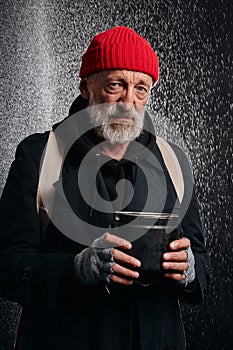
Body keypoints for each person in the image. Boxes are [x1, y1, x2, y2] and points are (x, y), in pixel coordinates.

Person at [0, 26, 210, 350]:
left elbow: (202, 266)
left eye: (141, 89)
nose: (129, 102)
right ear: (86, 86)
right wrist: (76, 269)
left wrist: (190, 271)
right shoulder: (37, 156)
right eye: (117, 85)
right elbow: (6, 266)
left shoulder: (174, 161)